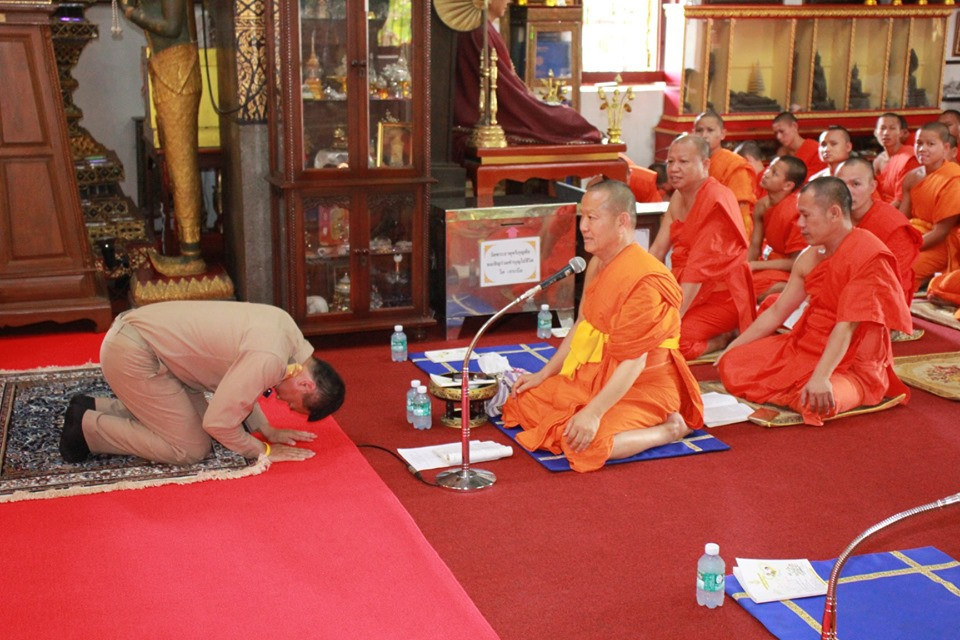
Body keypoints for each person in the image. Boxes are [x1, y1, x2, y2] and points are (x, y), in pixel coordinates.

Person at [501, 180, 703, 473]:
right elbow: (585, 325)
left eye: (592, 218)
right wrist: (544, 373)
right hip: (597, 373)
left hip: (643, 382)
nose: (583, 226)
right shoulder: (599, 262)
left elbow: (634, 361)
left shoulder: (645, 278)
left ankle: (670, 429)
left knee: (584, 442)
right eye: (583, 217)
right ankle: (588, 415)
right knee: (522, 401)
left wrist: (594, 413)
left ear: (621, 221)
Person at [718, 177, 912, 426]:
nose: (800, 224)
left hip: (851, 364)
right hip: (804, 347)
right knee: (733, 365)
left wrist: (821, 377)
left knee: (814, 402)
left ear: (834, 213)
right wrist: (733, 348)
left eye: (806, 216)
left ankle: (847, 388)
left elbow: (847, 326)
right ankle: (800, 385)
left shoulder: (868, 255)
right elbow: (778, 310)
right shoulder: (811, 255)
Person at [59, 301, 346, 465]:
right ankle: (86, 429)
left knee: (194, 424)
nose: (282, 402)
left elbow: (242, 387)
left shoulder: (288, 332)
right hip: (133, 354)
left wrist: (265, 429)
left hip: (154, 351)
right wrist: (264, 451)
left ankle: (95, 406)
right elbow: (219, 423)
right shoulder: (270, 357)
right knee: (190, 449)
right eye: (292, 403)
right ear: (306, 384)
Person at [649, 135, 755, 360]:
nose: (674, 169)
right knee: (639, 324)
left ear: (705, 164)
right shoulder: (678, 196)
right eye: (670, 162)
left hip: (720, 296)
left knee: (674, 342)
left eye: (683, 162)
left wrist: (671, 321)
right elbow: (657, 251)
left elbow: (697, 273)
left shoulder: (716, 201)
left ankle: (724, 337)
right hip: (684, 287)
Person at [453, 0, 600, 159]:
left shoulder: (485, 30)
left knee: (565, 117)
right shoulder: (478, 33)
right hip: (489, 121)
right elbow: (505, 91)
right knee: (569, 122)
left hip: (503, 112)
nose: (509, 1)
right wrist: (541, 110)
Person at [122, 0, 207, 277]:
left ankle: (191, 254)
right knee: (178, 161)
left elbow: (171, 27)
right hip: (169, 66)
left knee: (182, 165)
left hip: (177, 70)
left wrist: (133, 13)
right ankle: (188, 248)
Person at [836, 158, 922, 305]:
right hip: (841, 287)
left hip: (880, 297)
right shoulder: (833, 216)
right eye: (841, 185)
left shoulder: (891, 224)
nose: (847, 191)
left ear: (872, 187)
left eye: (856, 184)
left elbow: (893, 279)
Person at [898, 122, 960, 290]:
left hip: (940, 243)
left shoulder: (954, 178)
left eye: (930, 144)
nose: (923, 149)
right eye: (919, 143)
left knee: (904, 269)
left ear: (946, 148)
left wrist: (908, 248)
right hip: (915, 234)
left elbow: (941, 231)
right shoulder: (912, 176)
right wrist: (896, 242)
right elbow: (903, 218)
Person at [748, 155, 808, 303]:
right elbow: (755, 246)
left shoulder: (796, 211)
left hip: (797, 271)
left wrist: (755, 265)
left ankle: (786, 287)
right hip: (772, 263)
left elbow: (797, 262)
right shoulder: (761, 205)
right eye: (769, 168)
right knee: (737, 282)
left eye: (774, 173)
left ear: (787, 185)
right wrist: (745, 268)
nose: (766, 173)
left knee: (751, 289)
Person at [693, 111, 757, 233]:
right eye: (699, 130)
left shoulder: (733, 164)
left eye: (710, 130)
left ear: (722, 134)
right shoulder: (693, 162)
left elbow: (740, 207)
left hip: (727, 230)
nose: (704, 135)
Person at [873, 113, 919, 208]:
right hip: (881, 207)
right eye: (882, 128)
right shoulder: (878, 160)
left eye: (892, 128)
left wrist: (881, 214)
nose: (886, 133)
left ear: (901, 133)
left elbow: (901, 200)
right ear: (875, 133)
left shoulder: (909, 158)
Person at [772, 111, 827, 177]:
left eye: (781, 131)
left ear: (794, 126)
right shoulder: (781, 153)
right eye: (776, 133)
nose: (778, 137)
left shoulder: (815, 150)